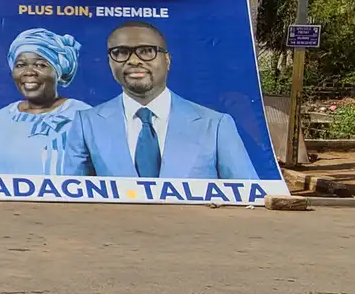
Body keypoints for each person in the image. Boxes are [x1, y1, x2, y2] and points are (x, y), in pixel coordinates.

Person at [63, 20, 258, 180]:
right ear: (110, 62)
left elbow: (248, 198)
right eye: (121, 52)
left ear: (167, 60)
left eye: (147, 51)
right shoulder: (86, 124)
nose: (134, 60)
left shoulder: (216, 125)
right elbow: (71, 201)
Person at [0, 28, 91, 175]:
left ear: (57, 71)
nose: (29, 72)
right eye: (20, 65)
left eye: (40, 65)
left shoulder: (83, 116)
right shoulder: (1, 118)